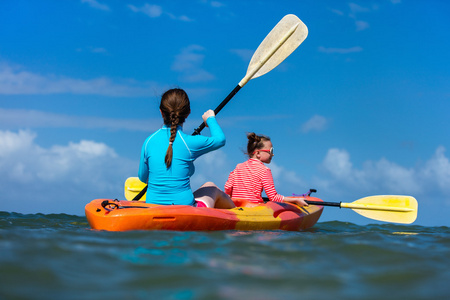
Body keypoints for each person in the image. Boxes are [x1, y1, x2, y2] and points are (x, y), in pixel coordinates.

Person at [138, 88, 235, 209]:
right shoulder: (189, 142)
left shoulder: (148, 142)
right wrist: (210, 119)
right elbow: (220, 140)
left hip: (153, 206)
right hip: (185, 207)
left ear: (161, 112)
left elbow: (142, 177)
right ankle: (237, 213)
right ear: (188, 112)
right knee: (211, 187)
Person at [225, 132, 308, 207]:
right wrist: (295, 200)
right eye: (271, 151)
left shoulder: (238, 167)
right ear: (258, 153)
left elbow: (228, 188)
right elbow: (273, 197)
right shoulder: (264, 170)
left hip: (236, 207)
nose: (273, 154)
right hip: (253, 209)